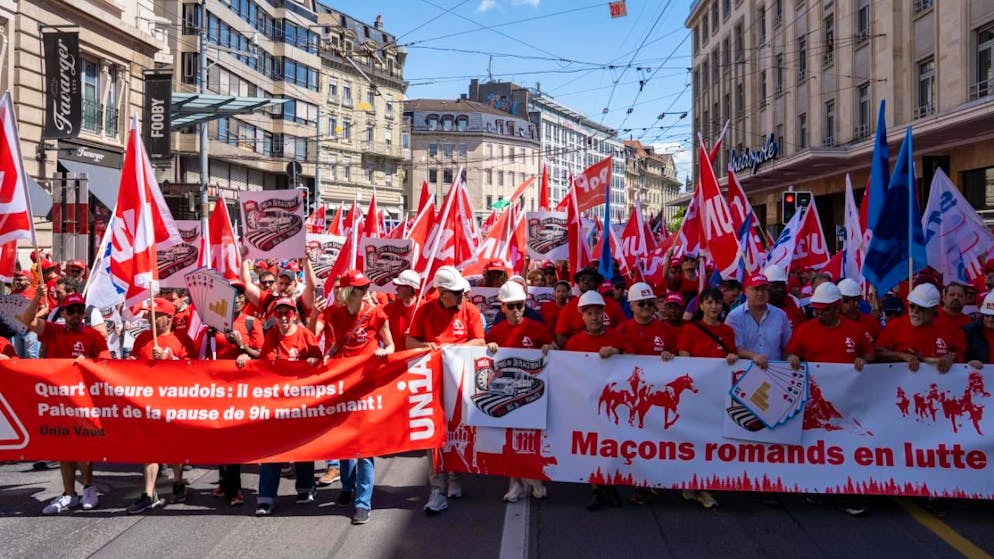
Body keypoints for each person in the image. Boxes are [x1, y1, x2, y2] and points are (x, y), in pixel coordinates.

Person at [17, 290, 109, 515]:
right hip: (56, 399)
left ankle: (88, 487)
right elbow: (26, 320)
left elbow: (107, 362)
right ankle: (69, 493)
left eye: (80, 310)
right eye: (71, 311)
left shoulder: (92, 336)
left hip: (82, 399)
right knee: (62, 444)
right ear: (63, 314)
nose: (76, 315)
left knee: (83, 444)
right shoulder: (53, 331)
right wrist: (38, 297)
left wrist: (88, 362)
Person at [406, 266, 485, 515]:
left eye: (461, 291)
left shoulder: (469, 310)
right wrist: (427, 346)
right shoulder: (425, 310)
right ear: (441, 293)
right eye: (455, 292)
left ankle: (455, 476)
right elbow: (410, 341)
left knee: (458, 430)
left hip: (460, 381)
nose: (461, 296)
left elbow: (480, 340)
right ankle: (437, 487)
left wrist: (451, 350)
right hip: (432, 382)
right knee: (434, 433)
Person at [236, 298, 322, 516]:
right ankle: (266, 497)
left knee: (302, 446)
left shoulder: (304, 334)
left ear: (294, 314)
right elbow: (264, 364)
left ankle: (305, 487)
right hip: (276, 402)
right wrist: (246, 356)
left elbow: (319, 361)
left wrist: (312, 362)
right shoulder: (272, 335)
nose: (283, 318)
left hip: (301, 401)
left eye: (288, 313)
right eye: (279, 313)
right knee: (272, 449)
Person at [321, 270, 394, 525]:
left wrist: (386, 353)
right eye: (360, 288)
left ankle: (363, 502)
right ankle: (347, 485)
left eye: (365, 288)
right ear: (348, 292)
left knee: (365, 448)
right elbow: (329, 341)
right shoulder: (335, 314)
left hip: (368, 388)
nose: (365, 292)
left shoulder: (376, 313)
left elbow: (391, 344)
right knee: (344, 441)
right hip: (344, 386)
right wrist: (325, 357)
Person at [485, 281, 554, 503]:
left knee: (533, 438)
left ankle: (535, 477)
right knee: (511, 440)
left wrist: (550, 348)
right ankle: (516, 483)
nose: (516, 311)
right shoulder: (495, 332)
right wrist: (490, 348)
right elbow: (482, 359)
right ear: (502, 307)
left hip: (534, 393)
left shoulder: (536, 329)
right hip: (507, 394)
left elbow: (556, 350)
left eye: (520, 305)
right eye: (512, 306)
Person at [195, 281, 262, 507]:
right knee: (219, 436)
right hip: (217, 390)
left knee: (232, 438)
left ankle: (235, 490)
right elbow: (201, 357)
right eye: (234, 294)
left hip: (241, 390)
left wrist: (242, 348)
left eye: (242, 295)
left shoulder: (252, 323)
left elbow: (261, 355)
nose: (239, 299)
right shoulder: (212, 326)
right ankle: (225, 480)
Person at [128, 297, 197, 513]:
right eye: (148, 314)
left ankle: (178, 481)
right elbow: (132, 364)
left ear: (168, 318)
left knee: (175, 445)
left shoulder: (182, 339)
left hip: (174, 401)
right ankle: (149, 494)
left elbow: (193, 370)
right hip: (147, 400)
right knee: (149, 447)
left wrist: (168, 359)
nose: (149, 317)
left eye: (154, 315)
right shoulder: (141, 339)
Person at [674, 287, 739, 509]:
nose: (714, 307)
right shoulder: (690, 330)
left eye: (717, 302)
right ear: (700, 305)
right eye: (709, 302)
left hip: (718, 397)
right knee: (692, 441)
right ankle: (693, 482)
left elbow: (733, 355)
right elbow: (685, 359)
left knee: (711, 442)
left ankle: (703, 486)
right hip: (696, 398)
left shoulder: (727, 331)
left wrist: (734, 356)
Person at [563, 290, 626, 511]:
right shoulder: (574, 342)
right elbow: (566, 372)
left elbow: (634, 363)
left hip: (614, 405)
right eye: (589, 313)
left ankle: (611, 486)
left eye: (598, 312)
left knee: (613, 445)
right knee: (592, 446)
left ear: (604, 314)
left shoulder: (617, 337)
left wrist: (617, 351)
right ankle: (597, 489)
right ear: (582, 316)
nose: (594, 317)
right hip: (586, 405)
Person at [876, 283, 966, 373]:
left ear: (934, 309)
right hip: (903, 383)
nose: (915, 311)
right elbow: (878, 353)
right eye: (912, 306)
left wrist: (951, 357)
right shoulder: (895, 325)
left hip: (938, 384)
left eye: (921, 308)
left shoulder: (947, 327)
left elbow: (961, 352)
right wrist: (901, 355)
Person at [725, 274, 793, 370]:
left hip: (775, 372)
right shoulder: (734, 317)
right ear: (746, 291)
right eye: (756, 289)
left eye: (764, 289)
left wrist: (790, 356)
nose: (760, 293)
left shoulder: (780, 315)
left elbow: (788, 345)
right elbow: (734, 348)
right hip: (744, 372)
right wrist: (753, 356)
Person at [554, 267, 626, 348]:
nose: (586, 281)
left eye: (590, 279)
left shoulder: (612, 305)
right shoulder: (568, 308)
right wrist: (578, 351)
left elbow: (624, 331)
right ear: (578, 283)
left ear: (597, 282)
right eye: (582, 279)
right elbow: (560, 336)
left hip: (609, 355)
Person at [616, 283, 677, 359]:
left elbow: (675, 356)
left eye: (650, 303)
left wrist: (670, 355)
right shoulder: (622, 329)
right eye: (641, 304)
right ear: (631, 307)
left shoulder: (666, 329)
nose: (646, 306)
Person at [383, 270, 421, 352]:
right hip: (397, 359)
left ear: (409, 288)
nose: (396, 289)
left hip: (417, 360)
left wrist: (415, 336)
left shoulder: (424, 308)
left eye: (400, 286)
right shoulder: (391, 308)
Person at [765, 265, 806, 329]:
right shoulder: (760, 307)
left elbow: (803, 328)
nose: (780, 289)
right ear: (767, 287)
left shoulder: (794, 302)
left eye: (782, 286)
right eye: (776, 286)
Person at [965, 292, 994, 368]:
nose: (990, 319)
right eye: (987, 315)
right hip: (980, 376)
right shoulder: (969, 331)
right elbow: (958, 355)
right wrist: (968, 363)